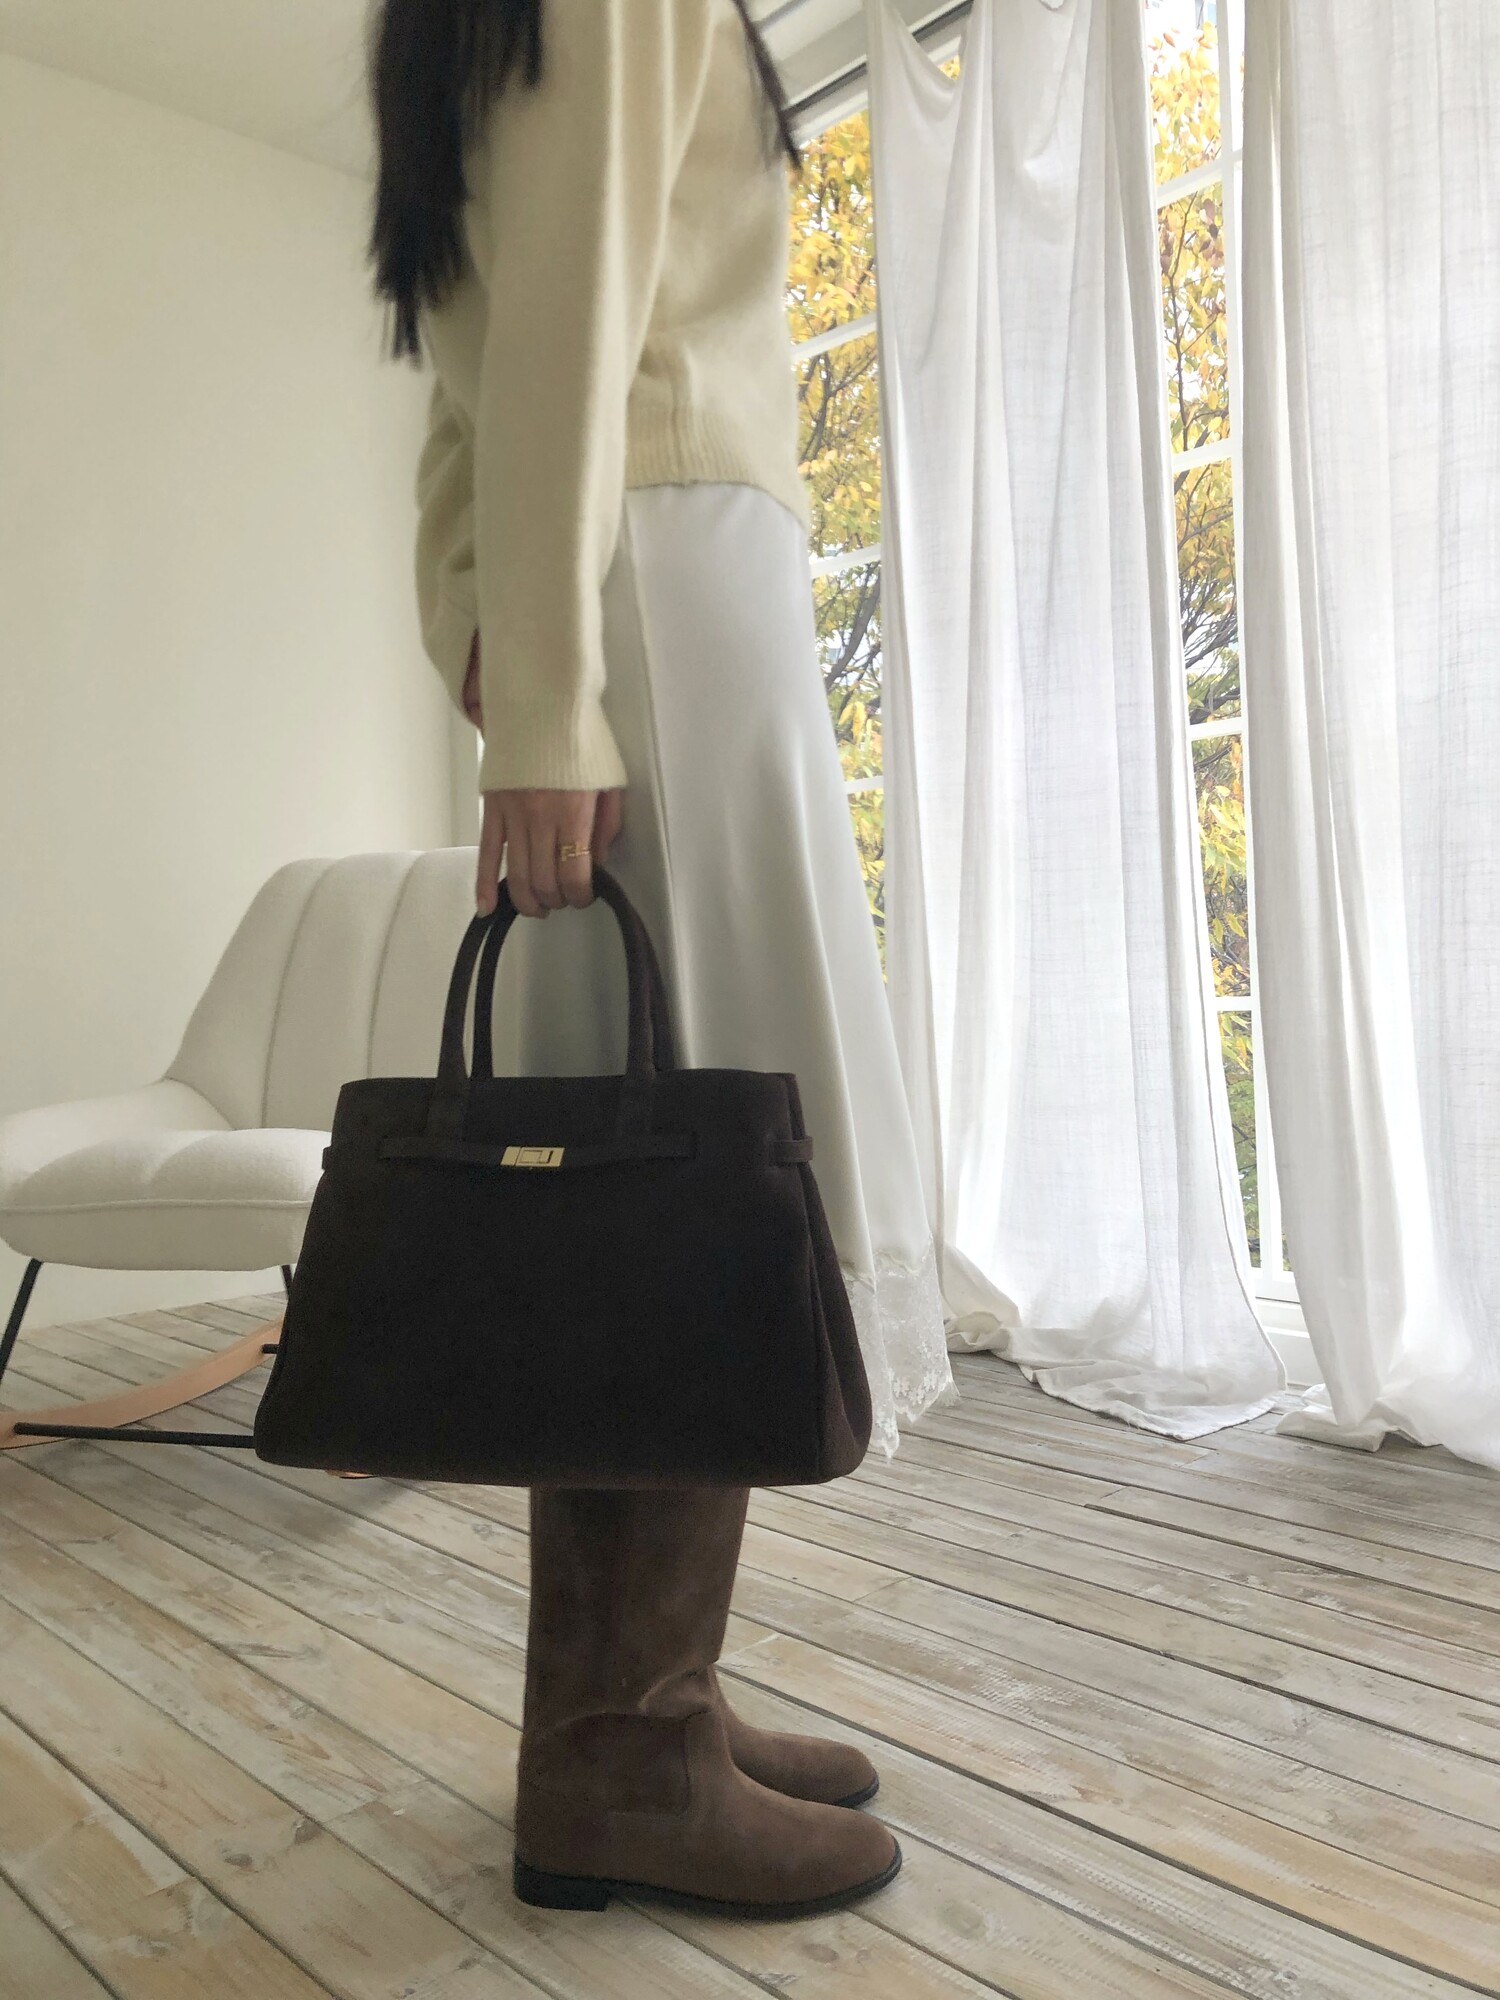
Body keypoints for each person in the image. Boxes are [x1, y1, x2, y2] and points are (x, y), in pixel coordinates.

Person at [366, 0, 957, 1918]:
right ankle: (626, 1749)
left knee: (636, 1169)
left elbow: (475, 361)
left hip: (627, 577)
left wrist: (491, 635)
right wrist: (544, 694)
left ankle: (632, 1715)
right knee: (696, 1159)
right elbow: (560, 314)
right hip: (673, 571)